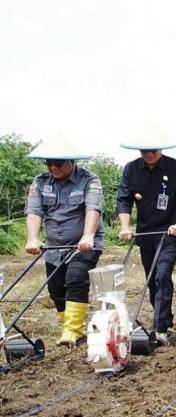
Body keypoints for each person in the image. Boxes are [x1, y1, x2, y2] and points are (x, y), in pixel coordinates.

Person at [116, 124, 176, 345]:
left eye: (153, 150)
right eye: (144, 151)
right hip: (146, 233)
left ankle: (159, 330)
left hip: (170, 232)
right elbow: (123, 199)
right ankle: (166, 320)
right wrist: (125, 227)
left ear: (160, 149)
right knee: (152, 280)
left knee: (162, 276)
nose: (149, 154)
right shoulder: (131, 169)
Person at [24, 133, 104, 346]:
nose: (53, 167)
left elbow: (92, 208)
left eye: (58, 163)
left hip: (83, 245)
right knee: (56, 288)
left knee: (76, 279)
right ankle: (68, 326)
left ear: (72, 162)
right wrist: (32, 238)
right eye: (49, 163)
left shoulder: (89, 180)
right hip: (54, 247)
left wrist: (88, 235)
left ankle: (73, 331)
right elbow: (34, 210)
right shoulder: (40, 182)